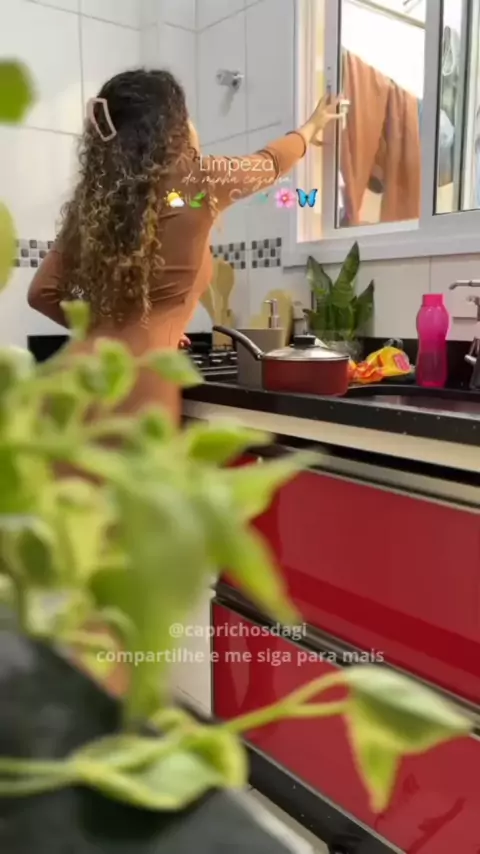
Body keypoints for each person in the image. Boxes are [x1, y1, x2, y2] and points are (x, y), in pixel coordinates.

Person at [28, 69, 341, 423]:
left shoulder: (92, 200)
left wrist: (107, 330)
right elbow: (269, 163)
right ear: (171, 128)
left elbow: (41, 293)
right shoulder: (197, 181)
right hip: (136, 390)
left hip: (73, 381)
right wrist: (311, 128)